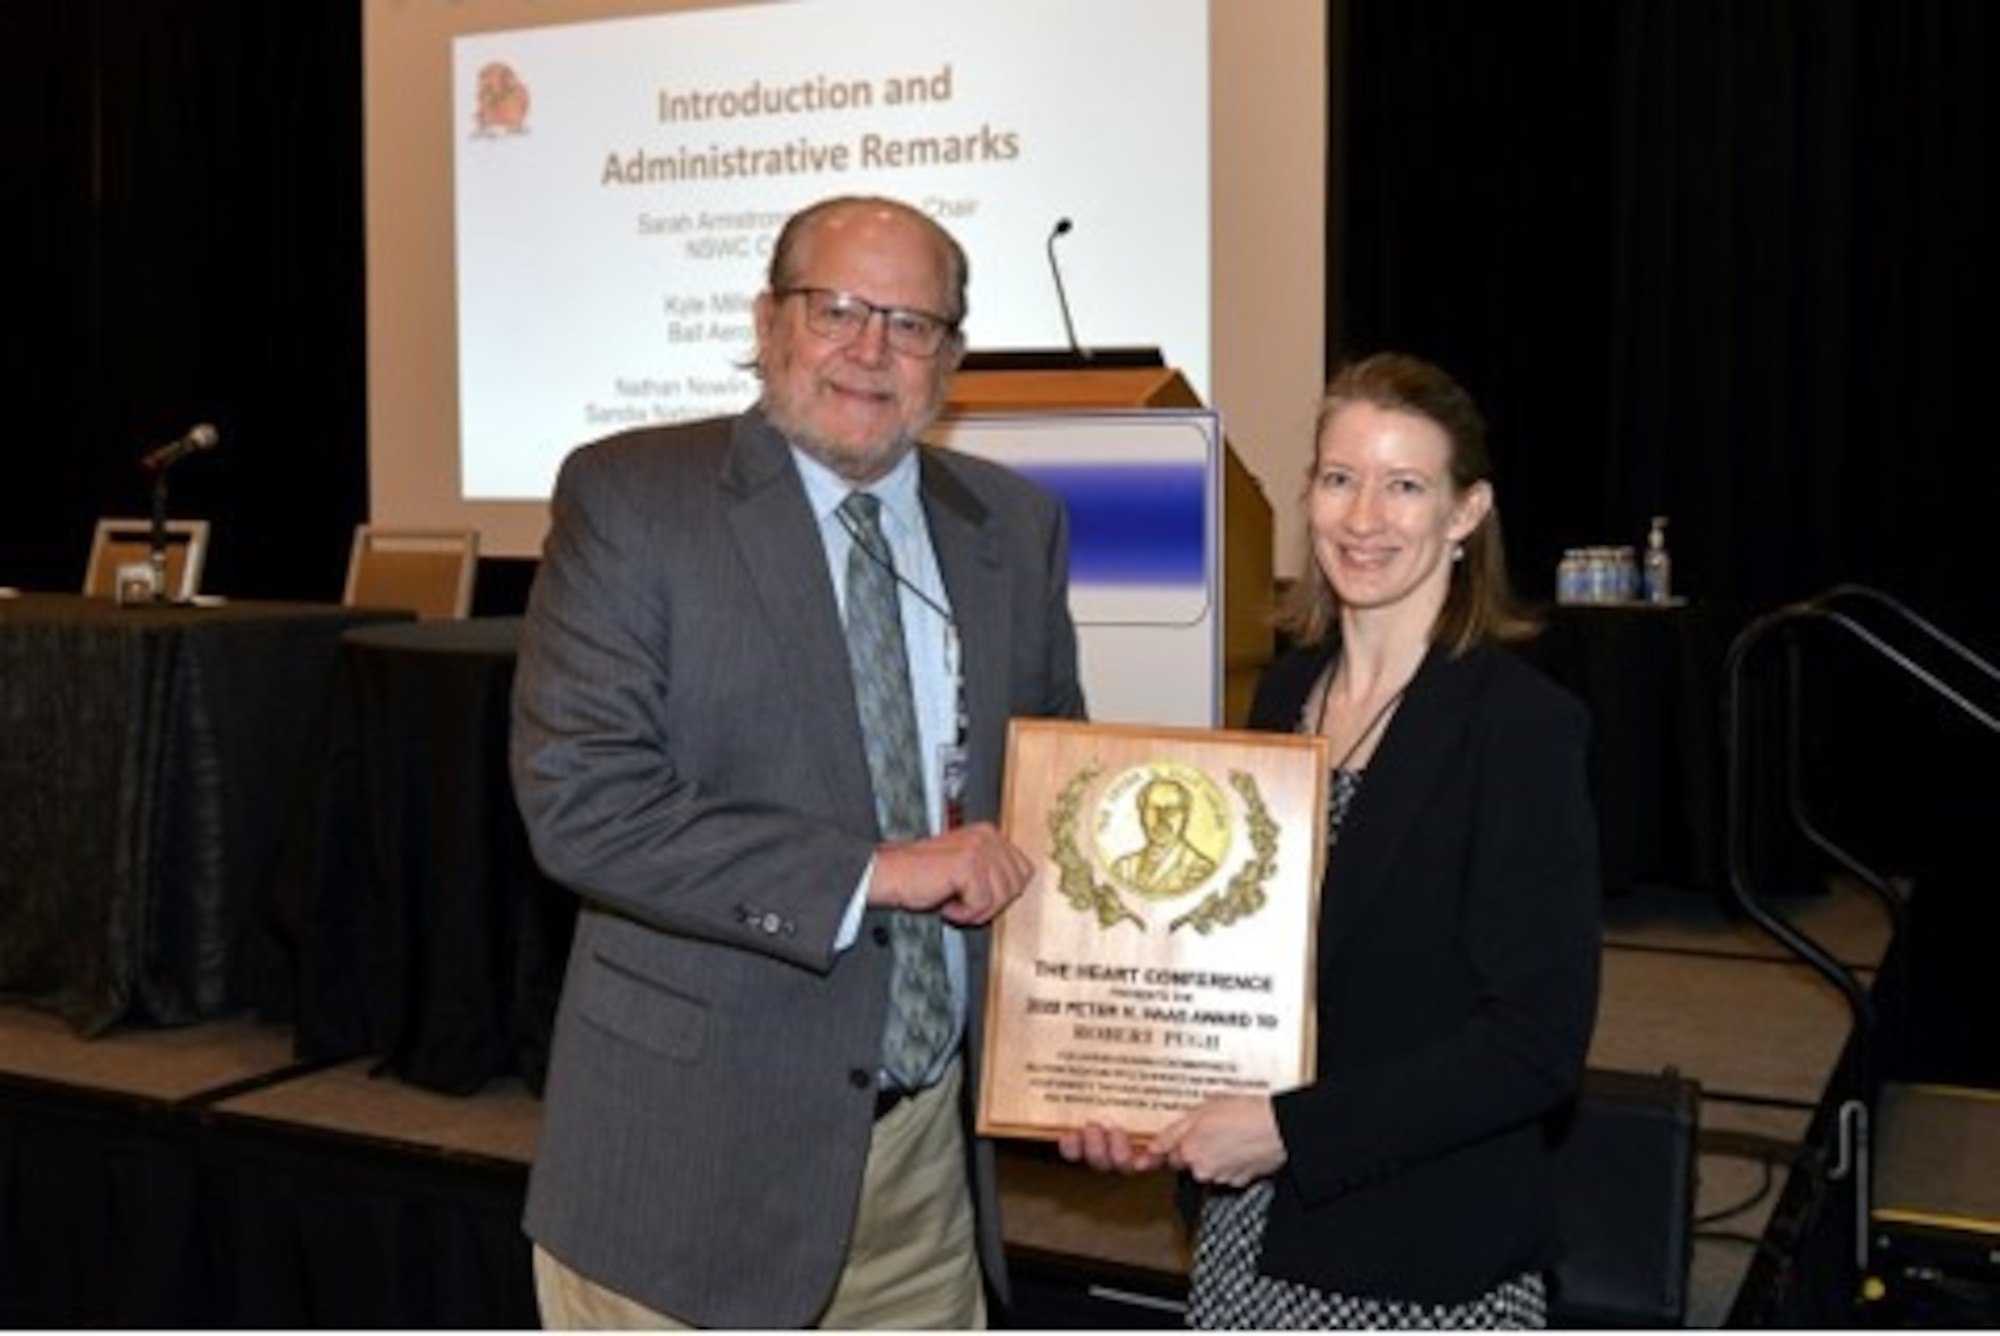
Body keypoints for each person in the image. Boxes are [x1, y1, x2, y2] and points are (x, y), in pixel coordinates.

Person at [510, 194, 1087, 1329]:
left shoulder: (1013, 528)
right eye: (837, 309)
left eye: (910, 324)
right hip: (685, 1176)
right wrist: (878, 869)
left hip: (921, 1180)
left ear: (950, 360)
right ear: (769, 320)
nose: (870, 350)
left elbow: (1051, 803)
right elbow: (585, 804)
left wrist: (1111, 1047)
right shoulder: (634, 498)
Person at [1061, 352, 1601, 1328]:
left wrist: (1288, 1131)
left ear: (1464, 513)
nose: (1361, 518)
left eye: (1403, 486)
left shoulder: (1518, 727)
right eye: (1338, 477)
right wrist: (1141, 1091)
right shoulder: (1281, 694)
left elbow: (1533, 1045)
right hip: (1246, 1228)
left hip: (1417, 1254)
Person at [1110, 776, 1219, 895]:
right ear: (1141, 815)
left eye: (1171, 810)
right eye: (1153, 809)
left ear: (1185, 817)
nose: (1162, 818)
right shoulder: (1123, 868)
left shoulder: (1199, 869)